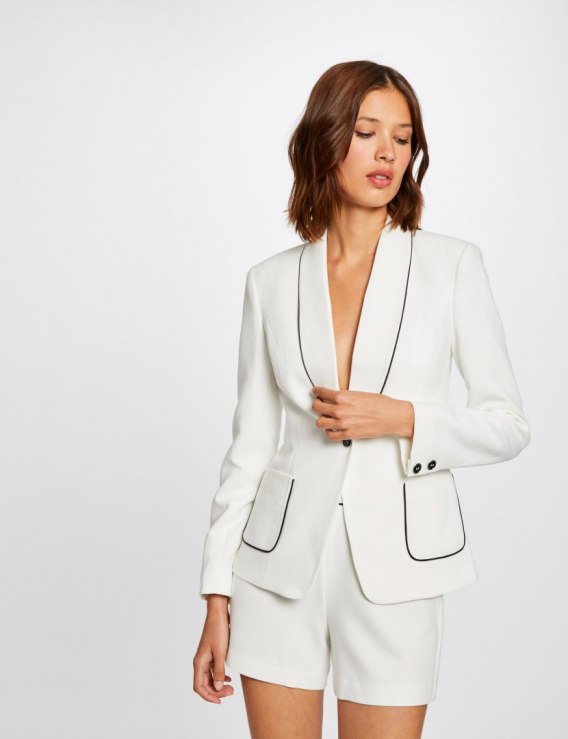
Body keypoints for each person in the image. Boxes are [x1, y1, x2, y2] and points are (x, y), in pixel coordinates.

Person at [193, 60, 531, 738]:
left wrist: (402, 418)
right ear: (326, 140)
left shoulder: (451, 265)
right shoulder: (270, 282)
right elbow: (250, 448)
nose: (387, 153)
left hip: (398, 568)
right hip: (277, 570)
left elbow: (508, 424)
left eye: (402, 138)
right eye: (367, 132)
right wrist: (216, 594)